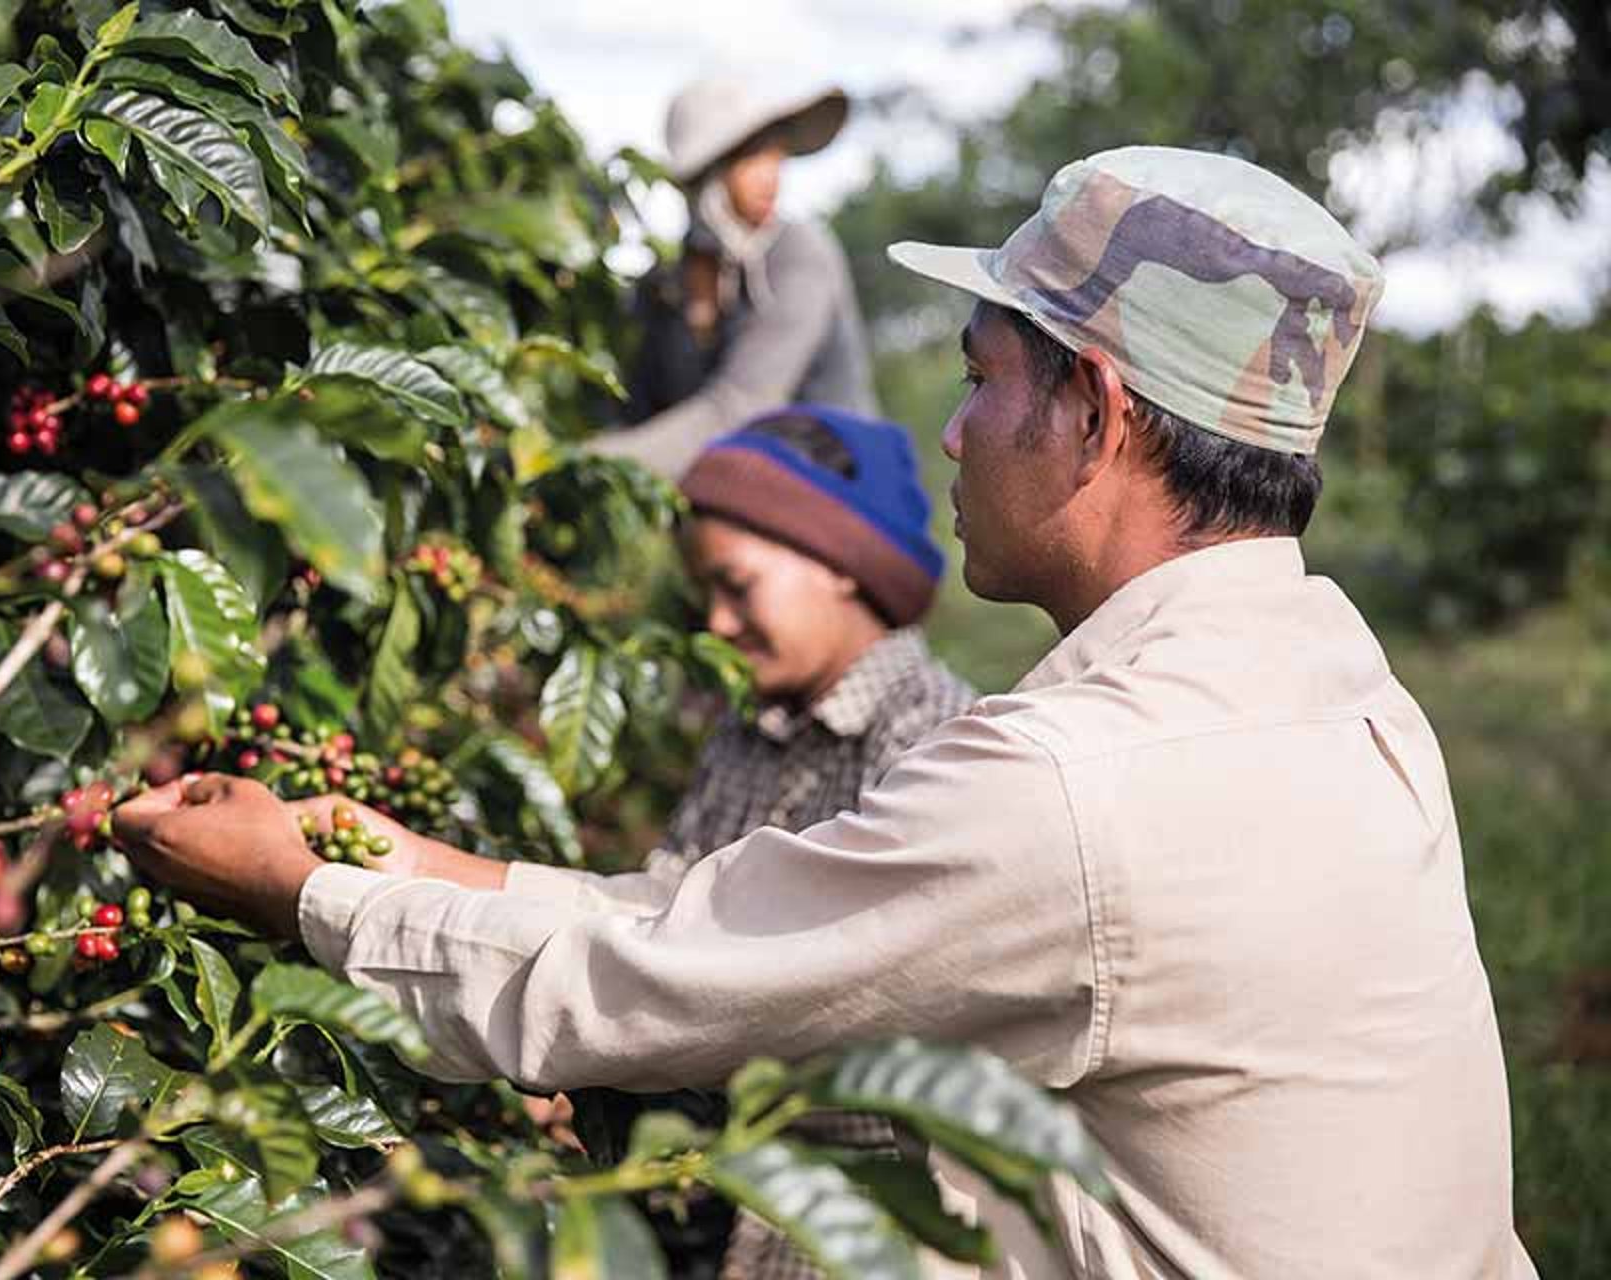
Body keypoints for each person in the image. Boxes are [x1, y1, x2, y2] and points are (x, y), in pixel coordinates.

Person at [116, 146, 1539, 1278]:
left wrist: (301, 892)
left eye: (981, 380)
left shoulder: (1075, 785)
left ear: (1097, 416)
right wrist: (416, 861)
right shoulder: (1347, 697)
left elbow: (655, 983)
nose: (954, 432)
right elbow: (718, 919)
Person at [567, 404, 979, 1278]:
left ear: (839, 563)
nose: (716, 624)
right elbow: (667, 913)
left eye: (737, 586)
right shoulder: (748, 733)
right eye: (705, 596)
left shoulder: (936, 742)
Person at [594, 77, 879, 479]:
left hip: (841, 485)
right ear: (708, 175)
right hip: (728, 490)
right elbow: (635, 412)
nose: (771, 176)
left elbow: (742, 406)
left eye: (775, 155)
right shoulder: (663, 289)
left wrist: (588, 463)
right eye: (751, 158)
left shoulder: (798, 254)